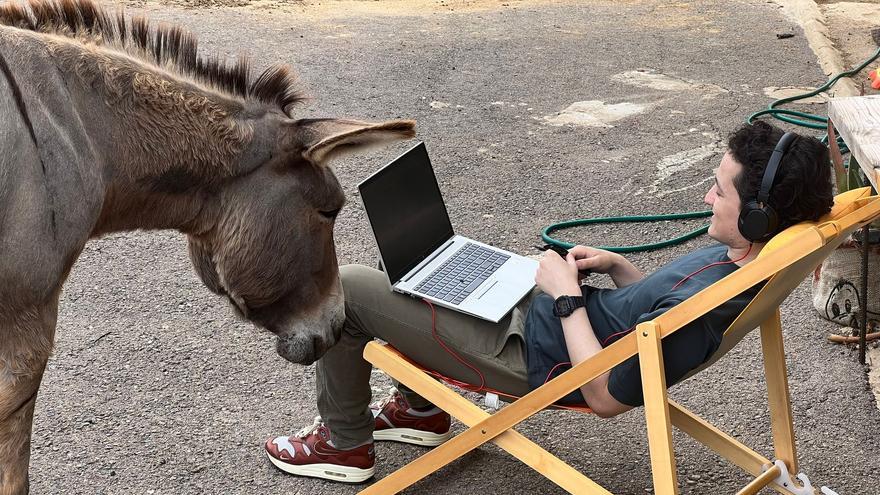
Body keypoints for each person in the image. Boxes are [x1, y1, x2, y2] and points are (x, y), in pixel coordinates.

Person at [263, 121, 835, 482]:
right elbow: (648, 315)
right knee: (423, 267)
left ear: (759, 213)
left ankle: (344, 443)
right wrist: (614, 267)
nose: (707, 197)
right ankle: (421, 410)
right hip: (550, 321)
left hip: (534, 357)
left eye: (720, 189)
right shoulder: (749, 258)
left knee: (354, 289)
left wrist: (565, 299)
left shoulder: (712, 299)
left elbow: (606, 396)